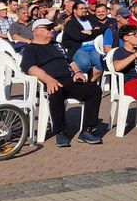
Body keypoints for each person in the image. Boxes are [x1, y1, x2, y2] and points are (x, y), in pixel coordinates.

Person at [20, 19, 104, 147]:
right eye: (48, 28)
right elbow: (30, 67)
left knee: (94, 89)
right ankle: (61, 131)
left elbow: (71, 61)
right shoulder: (30, 49)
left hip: (70, 80)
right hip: (51, 82)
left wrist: (77, 72)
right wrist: (48, 80)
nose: (52, 30)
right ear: (36, 31)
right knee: (55, 92)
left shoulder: (57, 45)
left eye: (52, 28)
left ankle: (87, 130)